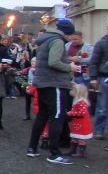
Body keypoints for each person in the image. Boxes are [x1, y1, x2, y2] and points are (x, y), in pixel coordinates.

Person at [26, 18, 81, 164]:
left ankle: (32, 148)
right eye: (70, 35)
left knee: (42, 117)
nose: (70, 38)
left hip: (43, 83)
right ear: (67, 33)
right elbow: (53, 62)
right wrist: (70, 67)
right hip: (54, 83)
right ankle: (54, 153)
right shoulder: (57, 41)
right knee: (57, 117)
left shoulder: (45, 39)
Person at [66, 83, 93, 158]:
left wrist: (71, 113)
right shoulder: (78, 101)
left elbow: (82, 113)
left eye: (73, 90)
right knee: (75, 137)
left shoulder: (81, 102)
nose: (71, 91)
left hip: (81, 123)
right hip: (78, 122)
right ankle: (73, 150)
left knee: (80, 138)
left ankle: (82, 153)